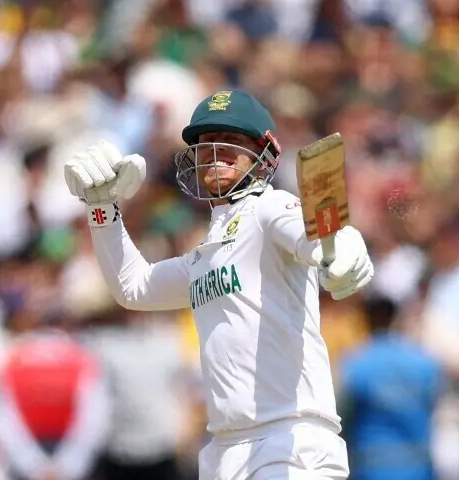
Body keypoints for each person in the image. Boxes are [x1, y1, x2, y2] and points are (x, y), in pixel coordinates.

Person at [63, 90, 374, 480]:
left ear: (264, 154)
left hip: (290, 439)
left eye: (233, 142)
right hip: (224, 450)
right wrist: (101, 207)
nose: (214, 151)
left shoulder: (269, 207)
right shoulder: (204, 255)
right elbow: (133, 288)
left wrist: (344, 248)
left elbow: (315, 235)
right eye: (205, 143)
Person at [339, 296, 443, 480]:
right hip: (417, 467)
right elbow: (435, 408)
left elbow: (342, 417)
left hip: (370, 466)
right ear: (397, 318)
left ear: (366, 320)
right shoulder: (424, 362)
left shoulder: (355, 363)